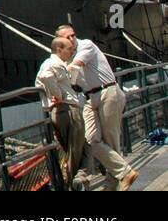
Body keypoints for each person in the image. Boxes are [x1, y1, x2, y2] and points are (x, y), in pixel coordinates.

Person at [56, 24, 138, 191]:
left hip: (108, 92)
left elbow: (76, 66)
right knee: (91, 139)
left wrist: (61, 70)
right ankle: (125, 172)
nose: (72, 39)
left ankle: (111, 185)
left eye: (73, 35)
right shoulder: (66, 56)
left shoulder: (86, 45)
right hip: (89, 98)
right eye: (67, 37)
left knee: (111, 140)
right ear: (60, 40)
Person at [35, 35, 86, 187]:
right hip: (66, 109)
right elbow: (46, 76)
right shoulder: (52, 63)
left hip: (63, 110)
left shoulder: (55, 63)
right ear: (59, 49)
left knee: (77, 148)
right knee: (74, 150)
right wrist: (57, 95)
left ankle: (74, 182)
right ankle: (70, 184)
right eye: (69, 49)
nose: (72, 51)